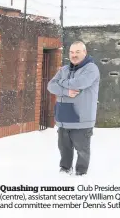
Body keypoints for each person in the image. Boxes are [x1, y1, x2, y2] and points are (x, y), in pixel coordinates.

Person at [47, 41, 100, 176]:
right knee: (64, 148)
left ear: (84, 53)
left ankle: (81, 173)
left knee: (82, 149)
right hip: (63, 116)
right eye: (71, 52)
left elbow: (80, 83)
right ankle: (65, 169)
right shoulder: (64, 69)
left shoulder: (91, 69)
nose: (74, 55)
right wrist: (65, 91)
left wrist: (62, 83)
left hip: (81, 118)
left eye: (77, 52)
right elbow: (50, 86)